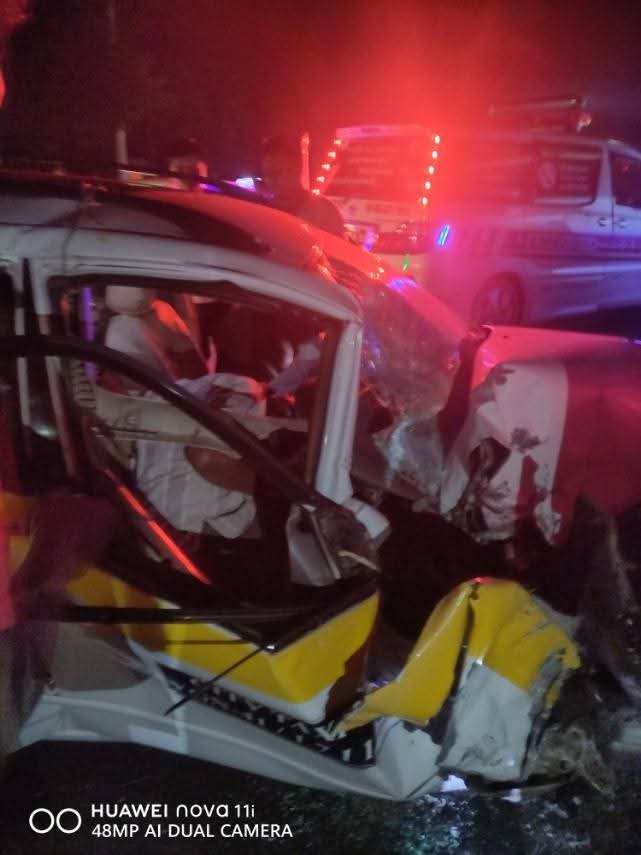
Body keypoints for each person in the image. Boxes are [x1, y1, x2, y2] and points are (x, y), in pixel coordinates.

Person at [260, 135, 345, 237]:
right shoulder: (263, 214)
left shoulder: (324, 212)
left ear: (296, 169)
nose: (270, 179)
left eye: (276, 172)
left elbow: (336, 246)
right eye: (266, 173)